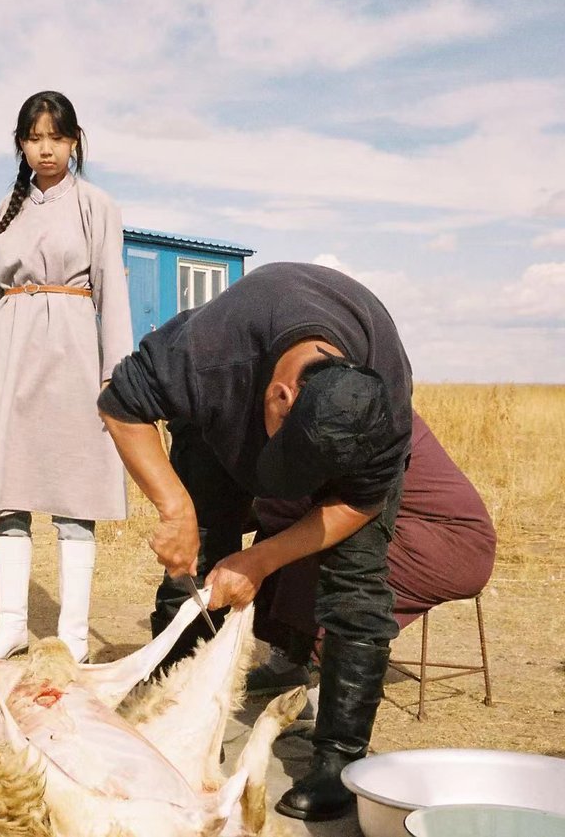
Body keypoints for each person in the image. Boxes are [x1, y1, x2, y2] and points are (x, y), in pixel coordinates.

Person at [97, 261, 412, 822]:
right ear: (282, 395)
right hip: (215, 433)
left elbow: (359, 503)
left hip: (335, 450)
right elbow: (121, 405)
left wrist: (263, 558)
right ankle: (181, 729)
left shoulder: (383, 397)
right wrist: (176, 507)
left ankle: (340, 759)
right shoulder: (211, 352)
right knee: (194, 572)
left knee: (358, 588)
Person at [0, 90, 133, 664]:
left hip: (72, 351)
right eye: (33, 138)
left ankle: (72, 636)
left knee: (75, 489)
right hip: (6, 353)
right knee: (9, 490)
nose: (45, 150)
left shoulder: (97, 205)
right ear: (20, 144)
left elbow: (113, 291)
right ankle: (13, 625)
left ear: (75, 140)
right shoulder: (8, 207)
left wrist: (114, 374)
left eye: (56, 137)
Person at [246, 411, 498, 695]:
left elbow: (314, 502)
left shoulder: (370, 421)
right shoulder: (347, 412)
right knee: (283, 536)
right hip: (409, 532)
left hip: (452, 546)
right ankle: (288, 662)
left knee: (335, 552)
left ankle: (330, 696)